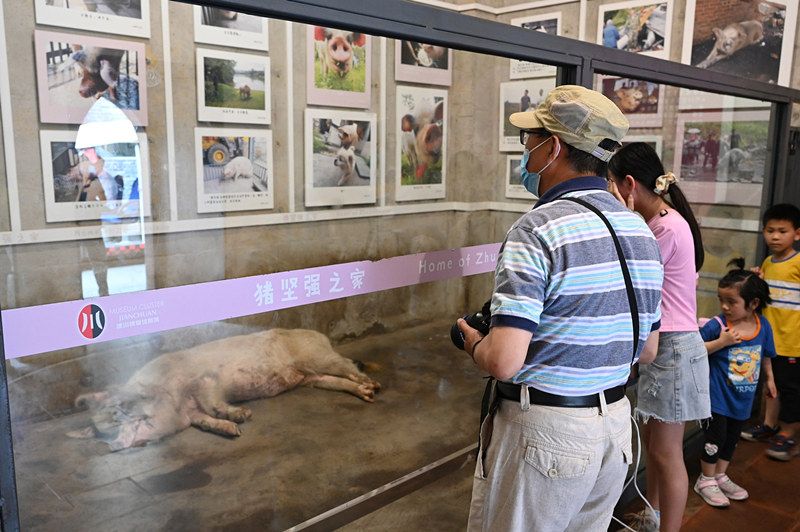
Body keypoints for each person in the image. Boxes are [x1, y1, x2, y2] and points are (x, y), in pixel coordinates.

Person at [457, 86, 663, 531]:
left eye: (528, 143)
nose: (525, 155)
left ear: (552, 148)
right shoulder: (640, 230)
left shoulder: (537, 228)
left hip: (547, 436)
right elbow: (647, 350)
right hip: (614, 430)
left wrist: (475, 343)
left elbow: (505, 360)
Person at [607, 142, 710, 532]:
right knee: (654, 447)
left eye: (612, 185)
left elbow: (634, 287)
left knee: (667, 454)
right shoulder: (663, 222)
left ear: (629, 184)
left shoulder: (663, 227)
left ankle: (668, 528)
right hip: (665, 347)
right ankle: (651, 515)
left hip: (674, 349)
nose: (610, 193)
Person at [695, 259, 776, 507]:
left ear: (753, 304)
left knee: (731, 439)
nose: (724, 306)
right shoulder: (718, 325)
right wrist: (721, 342)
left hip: (743, 398)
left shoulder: (763, 327)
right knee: (715, 435)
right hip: (716, 397)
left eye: (731, 302)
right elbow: (695, 349)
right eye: (722, 300)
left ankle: (720, 474)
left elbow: (766, 356)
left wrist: (770, 381)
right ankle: (705, 479)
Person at [741, 204, 800, 461]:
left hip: (793, 342)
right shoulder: (768, 262)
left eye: (782, 231)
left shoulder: (798, 262)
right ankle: (769, 424)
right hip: (772, 339)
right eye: (770, 230)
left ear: (797, 234)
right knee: (770, 384)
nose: (775, 236)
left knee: (789, 388)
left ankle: (788, 433)